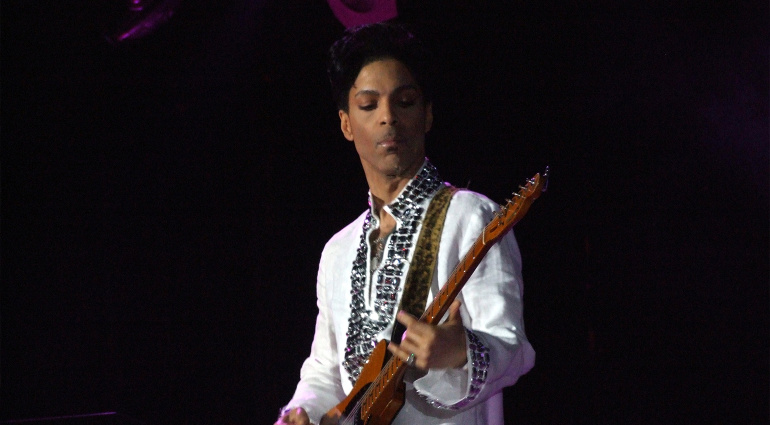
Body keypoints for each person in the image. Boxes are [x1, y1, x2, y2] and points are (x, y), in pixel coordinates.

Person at [275, 22, 535, 425]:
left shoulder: (471, 216)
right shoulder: (338, 251)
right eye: (368, 105)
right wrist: (301, 411)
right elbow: (326, 369)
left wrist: (460, 351)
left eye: (406, 101)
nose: (388, 118)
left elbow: (513, 348)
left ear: (427, 114)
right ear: (346, 123)